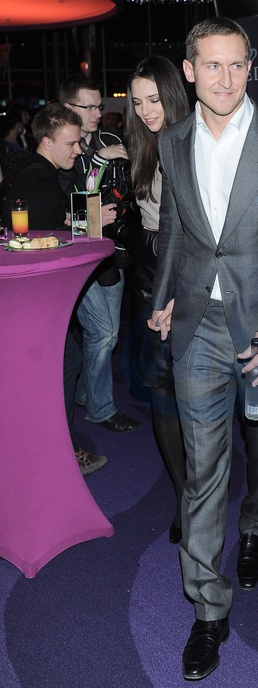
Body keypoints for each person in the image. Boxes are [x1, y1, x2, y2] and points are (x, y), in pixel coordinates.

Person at [148, 17, 258, 681]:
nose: (225, 79)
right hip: (197, 324)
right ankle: (207, 609)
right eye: (212, 65)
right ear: (189, 70)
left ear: (251, 67)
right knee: (202, 469)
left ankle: (256, 526)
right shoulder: (171, 141)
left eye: (237, 65)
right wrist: (164, 295)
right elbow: (175, 230)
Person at [1, 102, 107, 475]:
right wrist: (85, 225)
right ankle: (58, 451)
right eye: (71, 143)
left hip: (19, 299)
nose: (78, 150)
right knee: (66, 362)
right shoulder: (41, 180)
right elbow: (29, 243)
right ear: (47, 142)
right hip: (33, 298)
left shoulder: (24, 167)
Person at [124, 56, 190, 543]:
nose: (146, 110)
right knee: (161, 394)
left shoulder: (189, 144)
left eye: (154, 99)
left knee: (191, 393)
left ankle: (199, 493)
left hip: (184, 280)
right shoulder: (143, 145)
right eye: (137, 101)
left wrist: (131, 236)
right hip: (148, 278)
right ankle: (185, 495)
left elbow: (184, 234)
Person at [59, 75, 140, 434]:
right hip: (78, 253)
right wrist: (98, 161)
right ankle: (102, 408)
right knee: (103, 333)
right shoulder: (64, 146)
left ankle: (84, 391)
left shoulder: (110, 138)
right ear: (68, 108)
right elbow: (71, 204)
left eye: (99, 106)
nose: (96, 113)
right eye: (88, 106)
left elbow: (125, 190)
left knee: (108, 335)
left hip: (114, 249)